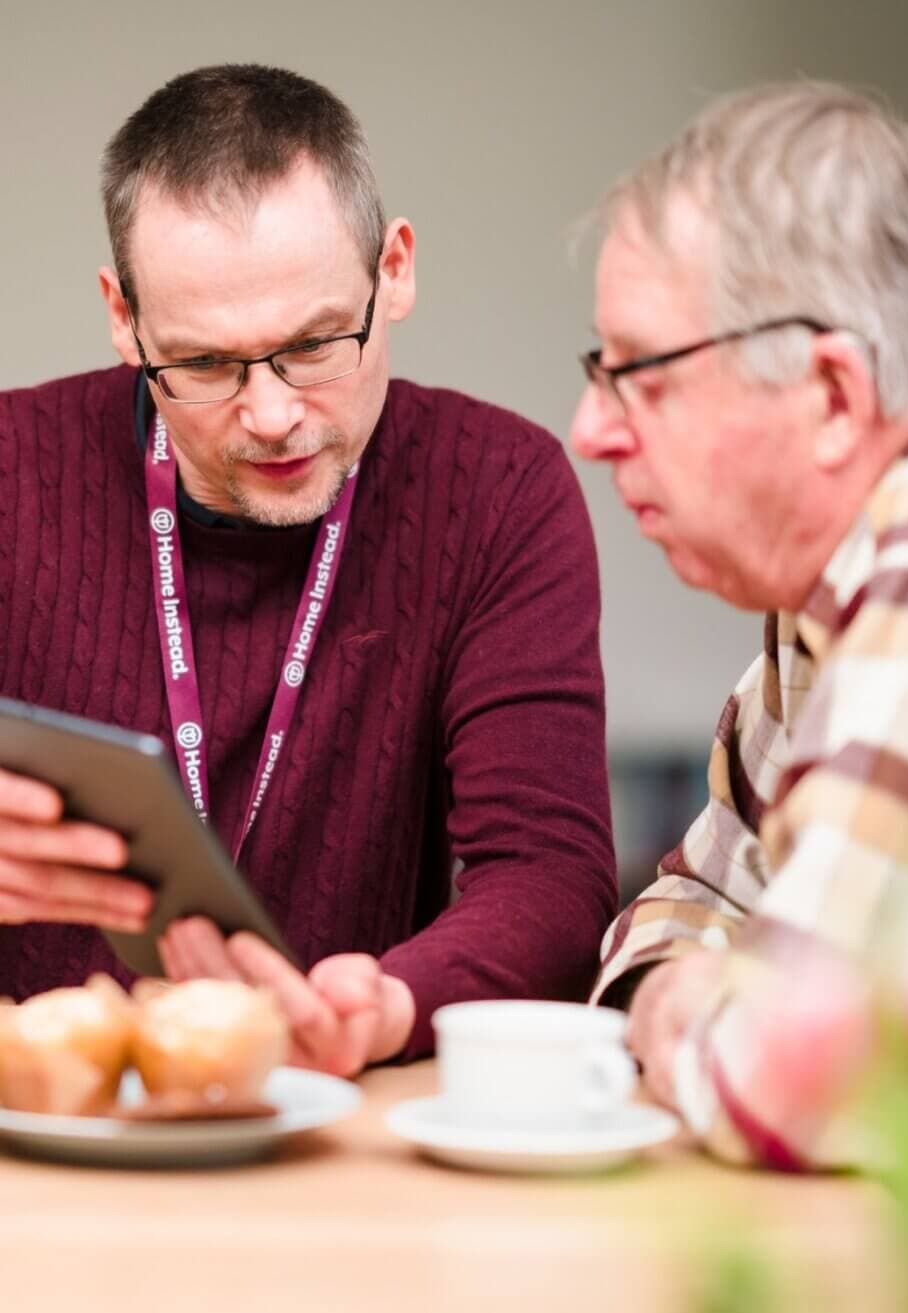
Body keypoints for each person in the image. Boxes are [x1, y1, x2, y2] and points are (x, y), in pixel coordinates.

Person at [0, 63, 617, 1075]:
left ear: (397, 267)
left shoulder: (498, 487)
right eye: (203, 365)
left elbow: (548, 873)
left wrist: (386, 1004)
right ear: (123, 317)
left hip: (352, 1123)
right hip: (42, 1129)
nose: (274, 413)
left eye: (316, 343)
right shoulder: (11, 464)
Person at [571, 81, 908, 1169]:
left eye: (639, 374)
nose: (589, 430)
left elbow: (774, 1081)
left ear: (831, 396)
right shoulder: (827, 585)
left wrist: (694, 1007)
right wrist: (693, 984)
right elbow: (682, 901)